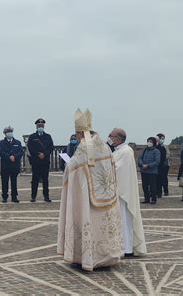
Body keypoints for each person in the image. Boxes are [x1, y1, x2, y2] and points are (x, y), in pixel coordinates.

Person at [57, 109, 122, 271]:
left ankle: (86, 258)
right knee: (104, 227)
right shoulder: (105, 146)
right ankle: (107, 257)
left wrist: (68, 165)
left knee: (89, 224)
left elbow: (72, 168)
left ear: (80, 133)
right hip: (107, 196)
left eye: (77, 134)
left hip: (88, 198)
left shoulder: (84, 147)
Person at [108, 127, 147, 257]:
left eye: (112, 136)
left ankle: (126, 248)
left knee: (124, 220)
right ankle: (121, 247)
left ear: (118, 138)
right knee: (120, 221)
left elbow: (117, 170)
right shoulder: (119, 151)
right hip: (119, 191)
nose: (110, 139)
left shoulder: (125, 152)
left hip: (123, 193)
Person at [27, 118, 54, 202]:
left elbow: (51, 147)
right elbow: (30, 148)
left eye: (42, 126)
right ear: (36, 126)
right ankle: (33, 196)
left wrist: (44, 154)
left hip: (45, 161)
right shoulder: (32, 137)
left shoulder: (48, 136)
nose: (40, 127)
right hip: (36, 161)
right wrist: (38, 154)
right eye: (39, 126)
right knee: (35, 179)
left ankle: (46, 196)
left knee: (45, 179)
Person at [0, 126, 23, 203]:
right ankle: (4, 197)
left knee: (14, 182)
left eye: (11, 132)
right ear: (5, 134)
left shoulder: (17, 142)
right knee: (4, 182)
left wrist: (14, 157)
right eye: (8, 132)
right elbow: (1, 152)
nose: (10, 133)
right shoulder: (1, 143)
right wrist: (9, 157)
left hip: (14, 165)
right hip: (5, 165)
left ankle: (14, 196)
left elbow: (21, 152)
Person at [138, 137, 161, 204]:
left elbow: (157, 161)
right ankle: (146, 199)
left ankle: (153, 199)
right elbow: (140, 158)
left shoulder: (156, 151)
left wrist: (148, 165)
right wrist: (142, 164)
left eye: (150, 141)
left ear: (153, 143)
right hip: (144, 171)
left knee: (152, 186)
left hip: (152, 172)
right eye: (148, 141)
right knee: (144, 186)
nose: (149, 143)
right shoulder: (145, 150)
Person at [156, 133, 170, 198]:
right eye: (161, 138)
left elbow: (168, 155)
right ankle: (158, 191)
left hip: (165, 165)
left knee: (164, 178)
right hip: (158, 165)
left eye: (163, 138)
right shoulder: (156, 146)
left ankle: (166, 191)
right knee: (158, 178)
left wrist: (162, 158)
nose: (162, 140)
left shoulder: (165, 146)